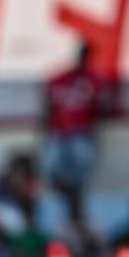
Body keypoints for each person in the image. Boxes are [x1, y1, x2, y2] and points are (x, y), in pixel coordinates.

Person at [44, 42, 105, 222]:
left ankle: (77, 211)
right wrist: (47, 131)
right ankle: (69, 207)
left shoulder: (93, 80)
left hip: (81, 133)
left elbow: (98, 109)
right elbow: (48, 106)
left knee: (79, 177)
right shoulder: (61, 78)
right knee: (53, 172)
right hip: (60, 132)